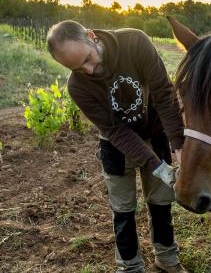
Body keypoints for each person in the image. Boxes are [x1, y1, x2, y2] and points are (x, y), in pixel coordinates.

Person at [46, 20, 187, 273]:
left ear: (92, 36)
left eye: (88, 58)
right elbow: (115, 130)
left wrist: (179, 145)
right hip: (117, 146)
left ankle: (166, 259)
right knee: (123, 209)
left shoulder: (134, 43)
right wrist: (156, 166)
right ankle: (130, 267)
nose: (89, 70)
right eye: (77, 68)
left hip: (155, 135)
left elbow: (164, 94)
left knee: (161, 201)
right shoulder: (77, 86)